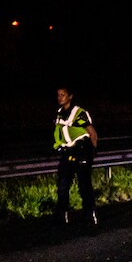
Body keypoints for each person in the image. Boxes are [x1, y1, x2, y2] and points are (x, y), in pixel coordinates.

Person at [53, 85, 99, 225]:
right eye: (58, 95)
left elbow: (92, 133)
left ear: (70, 96)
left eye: (63, 94)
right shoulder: (59, 113)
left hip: (82, 150)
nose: (60, 97)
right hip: (68, 152)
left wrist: (92, 152)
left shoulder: (78, 113)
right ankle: (63, 215)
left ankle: (90, 215)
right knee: (63, 184)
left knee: (84, 185)